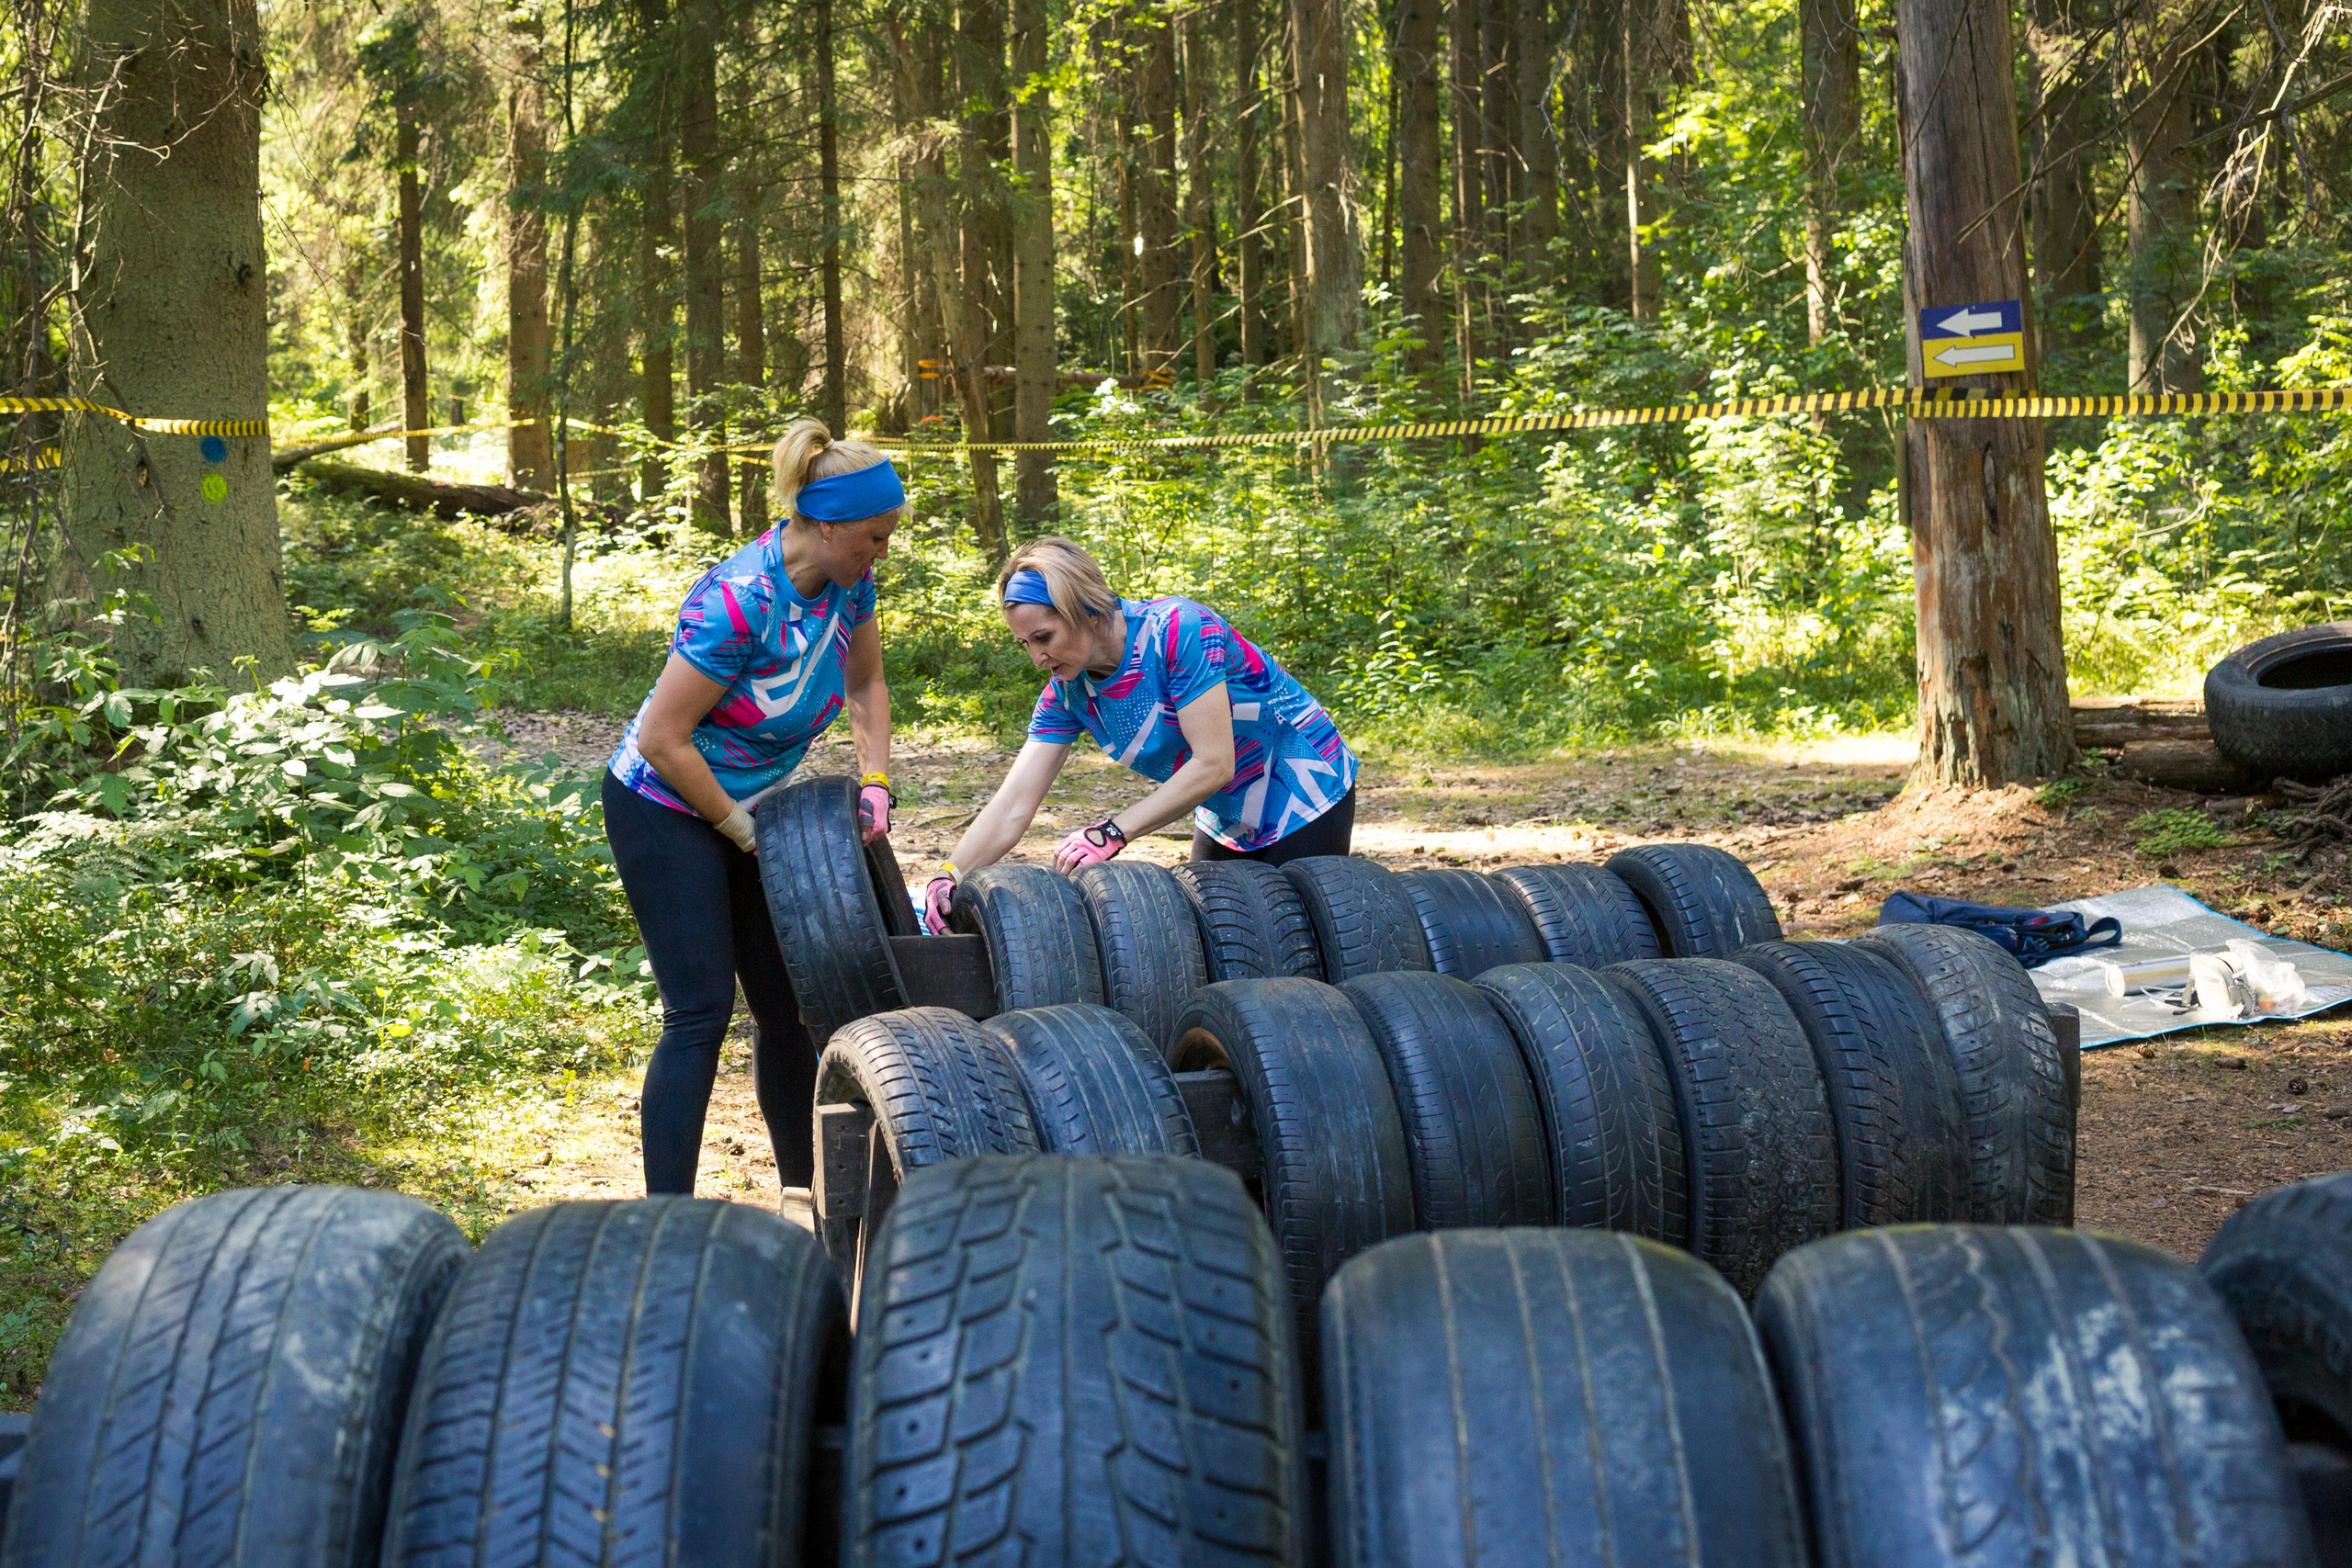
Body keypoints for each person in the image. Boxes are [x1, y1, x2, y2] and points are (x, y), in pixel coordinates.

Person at [603, 418, 901, 1195]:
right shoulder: (736, 602)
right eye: (874, 536)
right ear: (827, 525)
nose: (883, 551)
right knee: (700, 1010)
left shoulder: (850, 580)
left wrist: (875, 779)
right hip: (664, 803)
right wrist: (737, 831)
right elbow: (666, 738)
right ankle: (667, 1215)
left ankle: (807, 1194)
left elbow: (865, 683)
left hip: (754, 808)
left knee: (786, 1003)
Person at [923, 537, 1358, 930]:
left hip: (1307, 787)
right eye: (1025, 644)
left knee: (1298, 940)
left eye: (1044, 637)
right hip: (1226, 813)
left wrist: (1114, 831)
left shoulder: (1179, 630)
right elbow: (1014, 803)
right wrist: (951, 873)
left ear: (1087, 610)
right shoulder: (1069, 692)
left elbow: (1214, 762)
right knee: (1222, 936)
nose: (1037, 657)